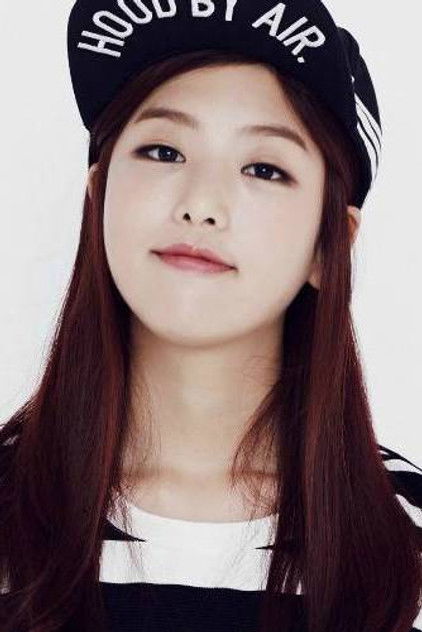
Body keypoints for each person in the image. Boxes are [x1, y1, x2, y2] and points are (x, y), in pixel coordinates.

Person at [0, 1, 421, 631]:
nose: (201, 204)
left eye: (264, 169)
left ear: (329, 244)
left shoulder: (405, 536)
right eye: (163, 151)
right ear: (99, 196)